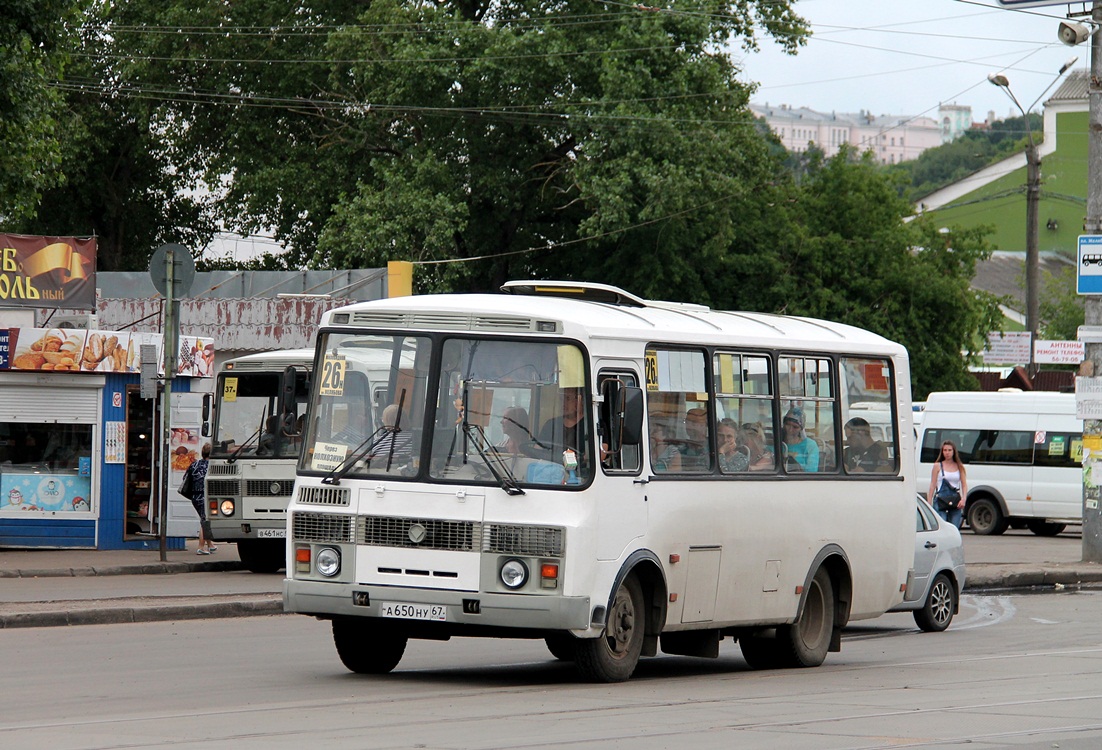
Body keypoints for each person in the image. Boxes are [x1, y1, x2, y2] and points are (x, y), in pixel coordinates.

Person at [928, 439, 967, 528]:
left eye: (949, 450)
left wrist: (963, 499)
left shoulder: (959, 466)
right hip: (940, 499)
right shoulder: (937, 466)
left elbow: (964, 485)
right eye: (945, 450)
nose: (947, 453)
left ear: (954, 451)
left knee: (954, 527)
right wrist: (929, 501)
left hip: (955, 500)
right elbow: (933, 484)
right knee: (942, 526)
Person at [188, 443, 215, 555]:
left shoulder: (195, 464)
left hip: (195, 496)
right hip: (206, 497)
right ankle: (200, 547)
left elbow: (186, 479)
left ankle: (210, 545)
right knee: (205, 521)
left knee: (204, 519)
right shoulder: (212, 466)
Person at [781, 407, 818, 472]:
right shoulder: (775, 443)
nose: (790, 430)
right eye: (787, 424)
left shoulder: (810, 446)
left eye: (795, 427)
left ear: (801, 428)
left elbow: (812, 471)